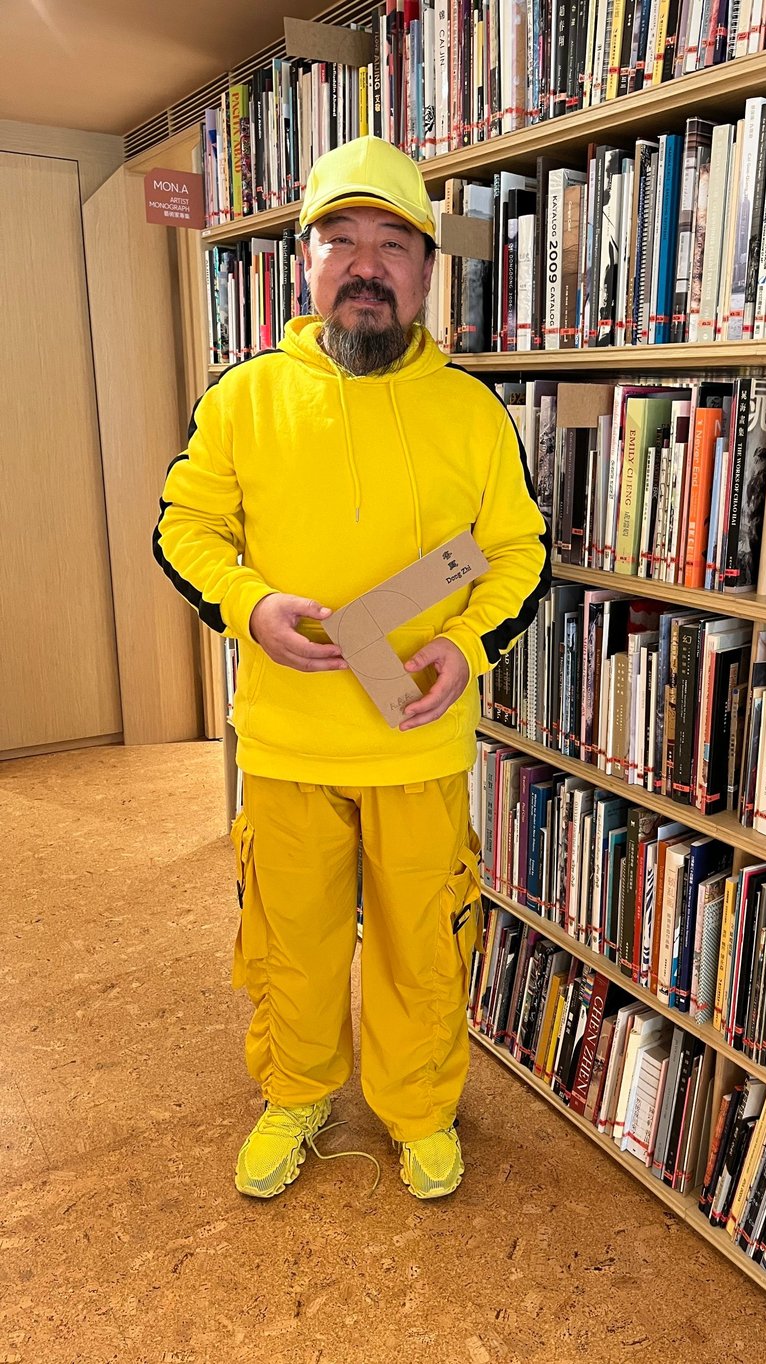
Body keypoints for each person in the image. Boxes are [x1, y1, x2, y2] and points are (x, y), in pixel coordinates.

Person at [154, 135, 550, 1201]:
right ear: (306, 260)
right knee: (293, 939)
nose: (366, 264)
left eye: (393, 243)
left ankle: (418, 1107)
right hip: (286, 745)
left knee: (423, 943)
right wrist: (247, 604)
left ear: (425, 270)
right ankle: (295, 1093)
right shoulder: (242, 398)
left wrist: (464, 649)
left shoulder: (472, 412)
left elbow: (518, 550)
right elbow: (183, 526)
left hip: (417, 743)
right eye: (342, 239)